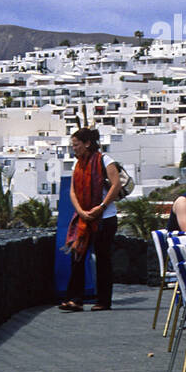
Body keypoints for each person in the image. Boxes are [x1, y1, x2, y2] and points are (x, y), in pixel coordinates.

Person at [60, 127, 121, 312]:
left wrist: (101, 207)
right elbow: (72, 190)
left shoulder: (104, 160)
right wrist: (80, 211)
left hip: (105, 217)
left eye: (76, 145)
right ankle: (75, 299)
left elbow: (116, 185)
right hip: (84, 218)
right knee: (77, 257)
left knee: (103, 259)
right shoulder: (77, 165)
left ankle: (103, 300)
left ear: (87, 143)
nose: (74, 149)